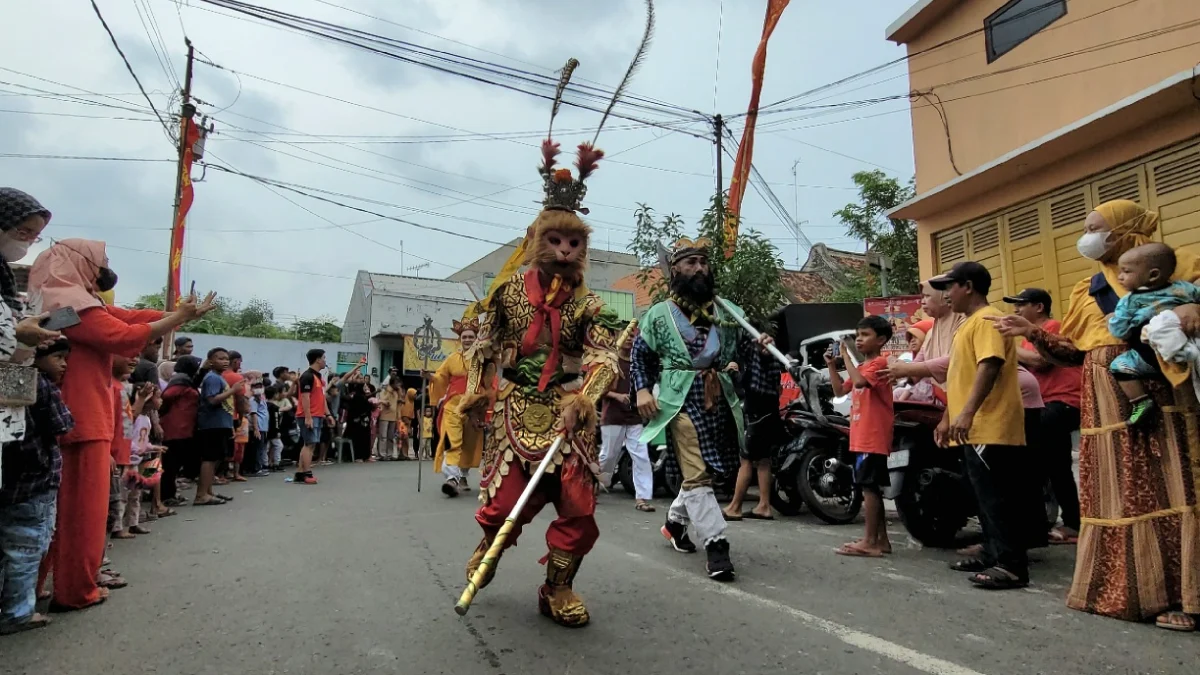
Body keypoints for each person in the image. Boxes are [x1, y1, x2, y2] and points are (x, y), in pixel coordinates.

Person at [994, 200, 1200, 628]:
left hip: (1162, 402)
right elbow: (1075, 353)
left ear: (1125, 232)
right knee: (1116, 490)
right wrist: (1030, 332)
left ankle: (1187, 598)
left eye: (1096, 227)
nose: (1087, 236)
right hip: (1104, 406)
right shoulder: (1088, 289)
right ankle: (1128, 591)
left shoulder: (1178, 272)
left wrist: (1189, 310)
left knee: (1175, 488)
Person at [453, 127, 624, 627]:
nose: (566, 251)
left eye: (574, 242)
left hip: (568, 414)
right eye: (556, 240)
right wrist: (481, 389)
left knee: (578, 509)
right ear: (536, 241)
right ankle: (491, 546)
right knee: (504, 505)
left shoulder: (590, 303)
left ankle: (557, 587)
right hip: (514, 406)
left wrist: (586, 399)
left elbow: (604, 355)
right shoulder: (507, 294)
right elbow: (485, 341)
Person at [26, 239, 213, 610]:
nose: (105, 268)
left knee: (62, 515)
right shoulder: (67, 305)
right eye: (101, 261)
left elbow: (125, 319)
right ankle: (75, 591)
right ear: (79, 262)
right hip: (80, 418)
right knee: (82, 514)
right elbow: (119, 334)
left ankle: (41, 589)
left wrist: (178, 313)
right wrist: (176, 318)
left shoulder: (67, 303)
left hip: (81, 416)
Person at [630, 237, 775, 582]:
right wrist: (641, 390)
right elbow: (641, 356)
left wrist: (763, 349)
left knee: (708, 471)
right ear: (676, 269)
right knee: (695, 470)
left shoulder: (728, 313)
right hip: (678, 397)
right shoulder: (658, 315)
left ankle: (674, 524)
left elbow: (747, 354)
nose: (698, 268)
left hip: (717, 395)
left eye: (703, 263)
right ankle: (717, 545)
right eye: (690, 262)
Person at [928, 262, 1028, 590]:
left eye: (949, 287)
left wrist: (968, 412)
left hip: (991, 425)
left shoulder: (986, 320)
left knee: (997, 497)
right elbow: (961, 377)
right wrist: (948, 417)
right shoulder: (969, 324)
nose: (945, 295)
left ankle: (1011, 565)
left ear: (968, 287)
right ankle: (991, 552)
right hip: (973, 427)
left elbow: (990, 365)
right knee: (983, 496)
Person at [0, 338, 73, 635]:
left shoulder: (7, 374)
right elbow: (62, 425)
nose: (64, 364)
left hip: (9, 479)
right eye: (58, 357)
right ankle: (17, 613)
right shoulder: (39, 384)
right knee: (26, 550)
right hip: (36, 479)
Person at [1003, 288, 1083, 544]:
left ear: (1038, 307)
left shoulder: (1053, 326)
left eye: (1021, 304)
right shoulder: (1027, 337)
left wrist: (1005, 348)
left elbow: (1040, 360)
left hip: (1063, 402)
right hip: (1046, 403)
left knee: (1039, 464)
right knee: (1056, 466)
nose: (1016, 310)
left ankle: (1050, 524)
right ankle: (1069, 522)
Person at [1106, 243, 1200, 425]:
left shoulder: (1129, 301)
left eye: (1126, 272)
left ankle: (1140, 402)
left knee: (1118, 366)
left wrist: (1110, 320)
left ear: (1153, 275)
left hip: (1150, 356)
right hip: (1190, 344)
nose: (1120, 277)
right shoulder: (1184, 288)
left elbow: (1120, 330)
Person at [826, 316, 894, 558]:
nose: (859, 340)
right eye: (858, 336)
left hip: (873, 435)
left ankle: (869, 541)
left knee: (868, 487)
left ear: (882, 340)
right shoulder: (864, 366)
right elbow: (838, 391)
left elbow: (860, 383)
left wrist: (846, 356)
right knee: (869, 485)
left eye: (865, 335)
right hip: (862, 434)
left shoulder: (879, 363)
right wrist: (833, 365)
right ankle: (881, 540)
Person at [597, 326, 656, 511]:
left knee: (641, 456)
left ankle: (642, 498)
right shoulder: (610, 361)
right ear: (619, 336)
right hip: (613, 415)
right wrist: (617, 396)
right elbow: (597, 388)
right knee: (608, 456)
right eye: (628, 335)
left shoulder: (638, 362)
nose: (630, 339)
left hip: (634, 417)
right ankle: (593, 484)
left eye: (634, 336)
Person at [431, 319, 484, 496]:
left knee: (469, 444)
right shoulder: (452, 359)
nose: (467, 339)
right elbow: (440, 377)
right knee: (452, 442)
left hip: (474, 407)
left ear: (476, 338)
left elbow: (490, 382)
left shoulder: (483, 359)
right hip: (453, 407)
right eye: (464, 337)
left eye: (471, 336)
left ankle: (463, 475)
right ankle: (451, 478)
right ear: (459, 339)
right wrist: (430, 378)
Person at [110, 357, 151, 540]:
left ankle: (129, 524)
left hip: (124, 454)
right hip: (115, 455)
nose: (134, 359)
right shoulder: (111, 387)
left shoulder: (119, 387)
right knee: (117, 498)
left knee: (131, 494)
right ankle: (116, 530)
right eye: (128, 354)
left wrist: (141, 398)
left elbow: (129, 417)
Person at [194, 348, 239, 506]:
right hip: (212, 424)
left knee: (215, 459)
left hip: (221, 423)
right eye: (220, 358)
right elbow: (212, 400)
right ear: (211, 361)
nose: (225, 361)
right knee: (209, 459)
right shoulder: (212, 378)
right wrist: (233, 390)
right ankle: (201, 495)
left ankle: (208, 491)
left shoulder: (219, 377)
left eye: (226, 358)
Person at [160, 356, 201, 507]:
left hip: (183, 427)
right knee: (169, 464)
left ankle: (168, 493)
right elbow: (167, 396)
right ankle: (165, 495)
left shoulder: (186, 380)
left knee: (174, 463)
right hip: (175, 427)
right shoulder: (180, 381)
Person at [294, 349, 328, 485]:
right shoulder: (307, 376)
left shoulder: (318, 377)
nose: (325, 360)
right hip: (308, 415)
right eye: (324, 358)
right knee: (309, 444)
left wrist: (328, 413)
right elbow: (305, 397)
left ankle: (300, 472)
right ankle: (307, 473)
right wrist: (308, 417)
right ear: (318, 359)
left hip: (317, 414)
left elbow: (321, 397)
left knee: (309, 444)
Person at [376, 372, 404, 461]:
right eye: (396, 383)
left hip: (393, 416)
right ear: (392, 383)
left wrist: (399, 392)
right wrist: (389, 391)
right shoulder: (385, 390)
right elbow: (381, 400)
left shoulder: (396, 392)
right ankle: (382, 454)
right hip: (384, 416)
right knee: (383, 436)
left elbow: (399, 402)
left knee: (390, 437)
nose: (398, 385)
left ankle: (390, 454)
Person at [248, 379, 270, 477]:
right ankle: (255, 469)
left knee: (261, 448)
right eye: (256, 387)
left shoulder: (262, 398)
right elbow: (254, 414)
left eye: (260, 386)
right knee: (257, 449)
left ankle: (259, 467)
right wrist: (256, 429)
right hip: (259, 428)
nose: (259, 389)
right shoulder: (253, 400)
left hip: (263, 427)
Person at [265, 386, 284, 471]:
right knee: (279, 446)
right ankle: (276, 463)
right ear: (274, 395)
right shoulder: (275, 407)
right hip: (273, 431)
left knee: (266, 447)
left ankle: (266, 463)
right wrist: (277, 431)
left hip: (265, 429)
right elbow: (276, 420)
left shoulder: (264, 405)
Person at [400, 387, 417, 460]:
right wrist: (409, 427)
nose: (415, 396)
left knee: (405, 440)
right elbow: (404, 416)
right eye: (414, 394)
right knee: (404, 440)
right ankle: (403, 454)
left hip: (408, 424)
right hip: (404, 425)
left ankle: (405, 454)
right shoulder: (406, 403)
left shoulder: (411, 402)